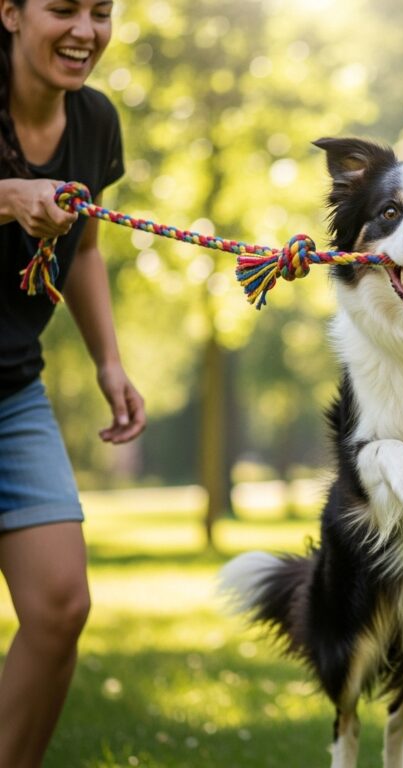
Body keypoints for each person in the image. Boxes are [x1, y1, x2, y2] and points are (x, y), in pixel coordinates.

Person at [0, 0, 145, 765]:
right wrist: (6, 196)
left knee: (59, 605)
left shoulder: (94, 122)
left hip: (12, 387)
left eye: (101, 10)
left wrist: (109, 362)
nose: (85, 30)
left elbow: (84, 249)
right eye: (63, 8)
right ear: (9, 12)